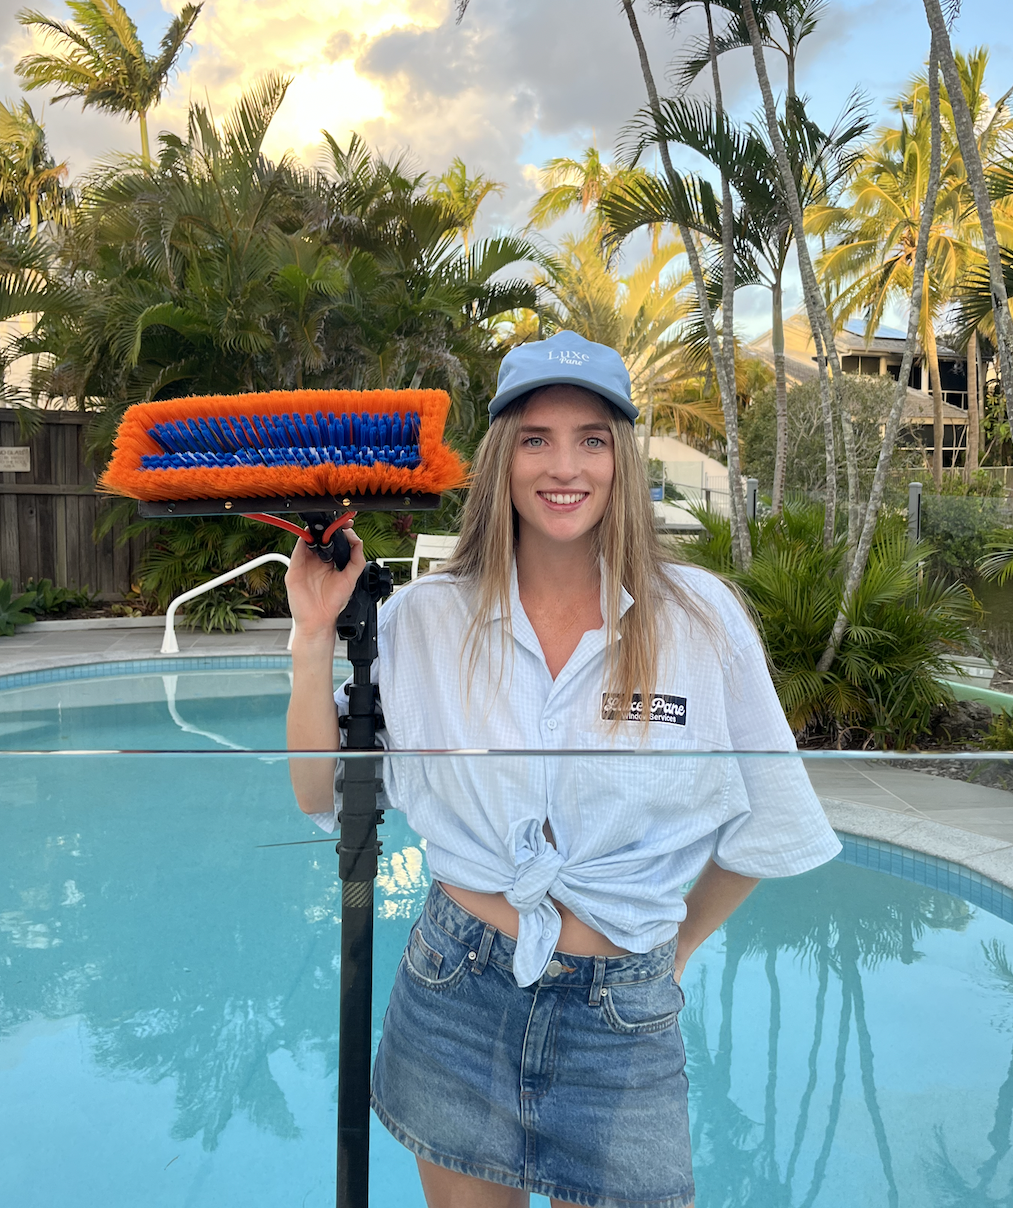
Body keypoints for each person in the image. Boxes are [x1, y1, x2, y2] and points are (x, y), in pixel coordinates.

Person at [285, 330, 841, 1208]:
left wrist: (680, 946)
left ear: (621, 456)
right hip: (454, 991)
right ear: (503, 458)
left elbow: (770, 820)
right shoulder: (425, 619)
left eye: (591, 438)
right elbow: (323, 795)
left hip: (621, 1016)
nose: (564, 466)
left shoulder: (701, 621)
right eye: (536, 437)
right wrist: (313, 636)